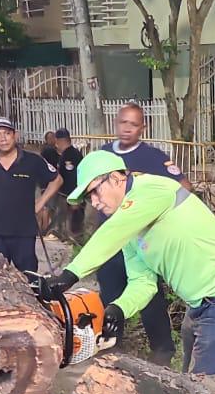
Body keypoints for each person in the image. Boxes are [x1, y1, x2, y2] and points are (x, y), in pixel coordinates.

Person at [38, 151, 215, 380]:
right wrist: (118, 309)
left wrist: (69, 275)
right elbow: (143, 282)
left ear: (116, 178)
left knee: (209, 392)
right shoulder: (131, 230)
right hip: (199, 303)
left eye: (95, 191)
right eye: (89, 198)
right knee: (190, 387)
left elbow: (111, 232)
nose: (94, 203)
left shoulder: (151, 189)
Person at [82, 103, 195, 365]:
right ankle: (111, 353)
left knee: (149, 297)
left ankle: (162, 353)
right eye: (123, 123)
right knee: (110, 296)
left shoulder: (153, 157)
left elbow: (184, 186)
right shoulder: (104, 155)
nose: (127, 129)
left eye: (133, 124)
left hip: (141, 242)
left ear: (143, 127)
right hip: (111, 241)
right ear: (116, 123)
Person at [0, 117, 62, 273]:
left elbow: (56, 180)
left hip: (24, 232)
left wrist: (40, 203)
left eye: (7, 133)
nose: (3, 138)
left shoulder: (32, 161)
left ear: (15, 135)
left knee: (29, 279)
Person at [52, 128, 83, 238]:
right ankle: (63, 235)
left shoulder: (71, 155)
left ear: (60, 141)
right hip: (65, 192)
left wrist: (74, 195)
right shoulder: (66, 154)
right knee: (62, 215)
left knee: (71, 216)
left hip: (69, 192)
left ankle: (72, 237)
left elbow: (73, 176)